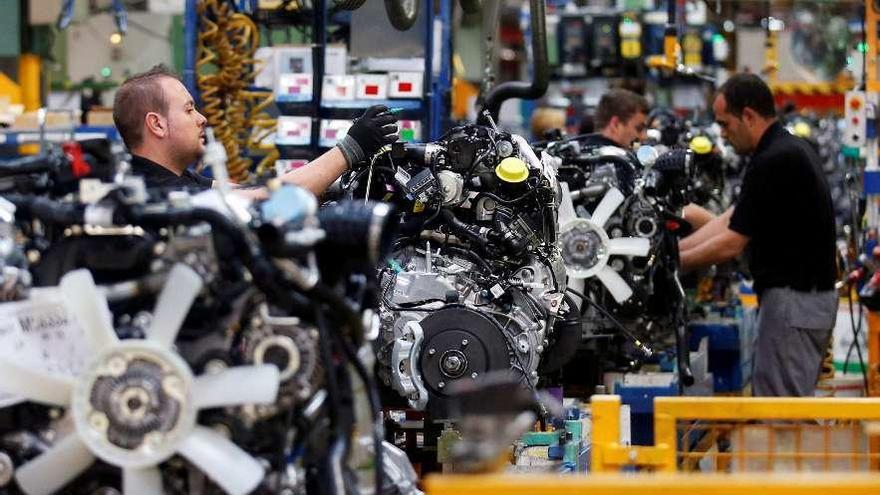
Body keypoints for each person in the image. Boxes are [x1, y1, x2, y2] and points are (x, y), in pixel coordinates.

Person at [679, 73, 837, 397]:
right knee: (781, 404)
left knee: (779, 413)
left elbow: (731, 242)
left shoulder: (775, 159)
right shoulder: (783, 149)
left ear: (748, 116)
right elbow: (732, 219)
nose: (723, 135)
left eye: (726, 124)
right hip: (798, 303)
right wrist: (674, 248)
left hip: (794, 303)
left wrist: (674, 264)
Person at [112, 65, 397, 197]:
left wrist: (336, 185)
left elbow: (250, 190)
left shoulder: (175, 178)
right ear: (157, 124)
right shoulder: (154, 194)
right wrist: (350, 150)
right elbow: (265, 200)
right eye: (188, 110)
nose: (202, 119)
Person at [573, 88, 649, 195]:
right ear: (615, 124)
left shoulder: (581, 156)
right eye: (639, 128)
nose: (644, 136)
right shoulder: (617, 165)